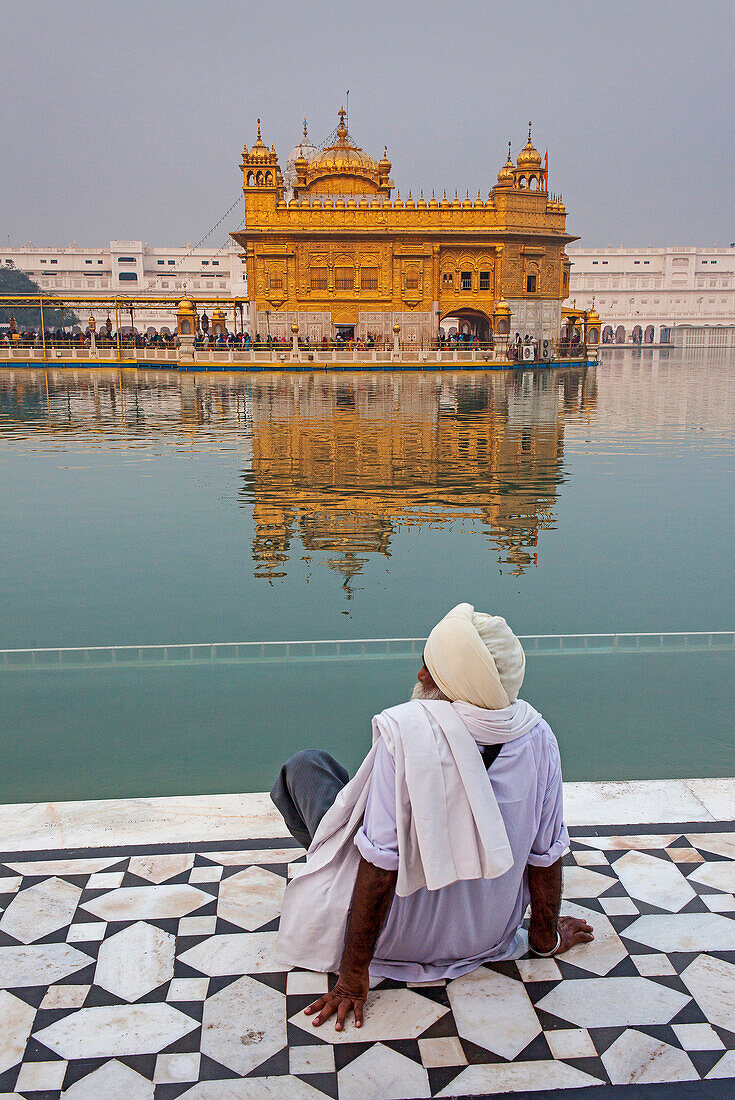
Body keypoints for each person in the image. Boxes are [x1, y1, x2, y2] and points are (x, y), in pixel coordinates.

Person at [271, 603, 593, 1032]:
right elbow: (546, 855)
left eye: (431, 668)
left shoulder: (404, 732)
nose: (421, 675)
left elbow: (380, 866)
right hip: (487, 937)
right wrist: (544, 938)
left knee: (306, 767)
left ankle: (322, 863)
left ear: (456, 682)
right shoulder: (538, 736)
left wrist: (351, 979)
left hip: (395, 941)